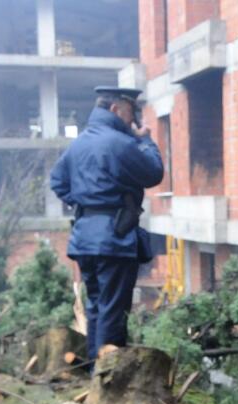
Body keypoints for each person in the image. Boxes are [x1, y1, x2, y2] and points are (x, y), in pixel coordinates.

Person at [50, 86, 164, 361]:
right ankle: (107, 378)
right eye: (130, 112)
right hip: (114, 239)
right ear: (115, 109)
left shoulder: (78, 143)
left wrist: (86, 202)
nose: (134, 119)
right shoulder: (120, 143)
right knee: (113, 309)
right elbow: (153, 173)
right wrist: (146, 141)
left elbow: (57, 181)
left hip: (84, 238)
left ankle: (94, 372)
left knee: (96, 307)